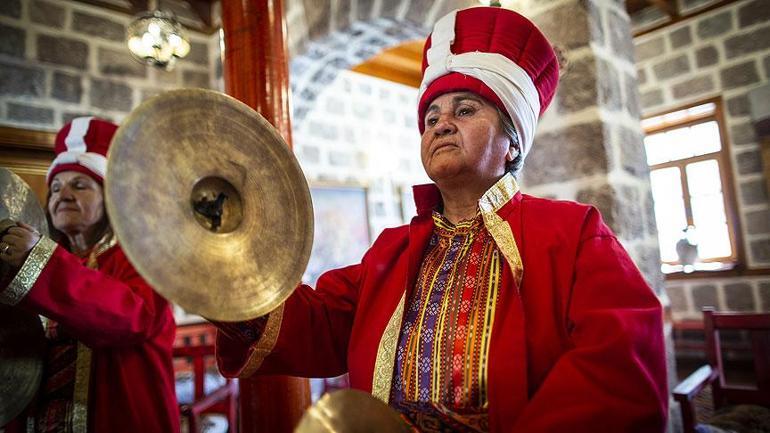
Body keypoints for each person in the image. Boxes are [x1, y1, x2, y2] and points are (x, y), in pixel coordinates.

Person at [215, 6, 668, 432]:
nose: (440, 125)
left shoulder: (572, 233)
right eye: (431, 116)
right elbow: (316, 327)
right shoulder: (392, 250)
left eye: (465, 111)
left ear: (512, 144)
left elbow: (621, 369)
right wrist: (214, 265)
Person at [0, 117, 179, 433]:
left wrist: (41, 261)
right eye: (55, 187)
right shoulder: (46, 255)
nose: (63, 195)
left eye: (79, 185)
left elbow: (131, 318)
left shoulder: (142, 256)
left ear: (110, 197)